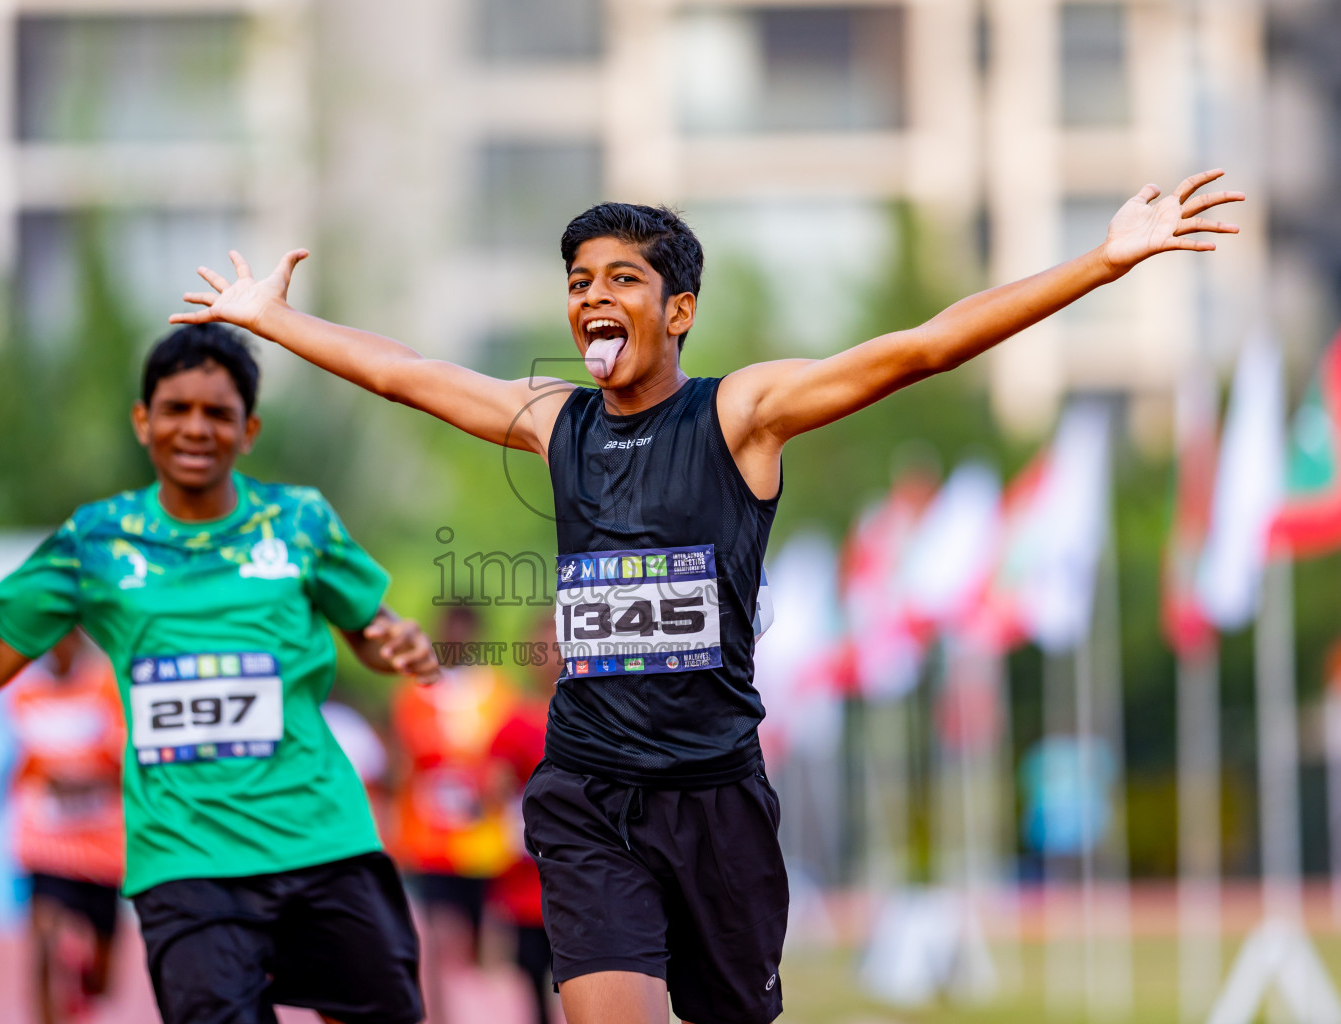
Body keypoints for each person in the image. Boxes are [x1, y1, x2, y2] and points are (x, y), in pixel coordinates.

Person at [172, 170, 1244, 1024]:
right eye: (580, 279)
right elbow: (405, 370)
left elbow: (919, 347)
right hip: (589, 790)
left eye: (622, 279)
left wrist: (1101, 263)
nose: (594, 296)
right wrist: (273, 321)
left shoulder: (745, 415)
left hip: (717, 794)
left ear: (677, 307)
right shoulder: (555, 422)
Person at [0, 323, 440, 1024]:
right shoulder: (95, 541)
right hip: (186, 863)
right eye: (177, 410)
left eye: (218, 413)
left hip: (322, 841)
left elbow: (369, 628)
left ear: (248, 429)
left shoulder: (301, 521)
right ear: (144, 421)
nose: (196, 428)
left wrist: (395, 638)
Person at [0, 629, 126, 1024]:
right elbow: (15, 760)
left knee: (102, 981)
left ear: (78, 641)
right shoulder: (23, 696)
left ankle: (86, 983)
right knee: (42, 940)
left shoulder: (107, 687)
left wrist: (80, 781)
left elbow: (129, 768)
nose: (54, 649)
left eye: (63, 639)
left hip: (102, 850)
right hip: (44, 844)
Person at [388, 606, 515, 1024]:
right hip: (431, 844)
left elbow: (508, 764)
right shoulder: (413, 694)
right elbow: (401, 764)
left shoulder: (498, 692)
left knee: (488, 950)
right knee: (443, 944)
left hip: (486, 846)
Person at [486, 614, 559, 1024]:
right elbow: (493, 789)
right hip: (527, 876)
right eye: (543, 647)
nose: (552, 657)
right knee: (532, 973)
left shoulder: (596, 717)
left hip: (581, 874)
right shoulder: (515, 722)